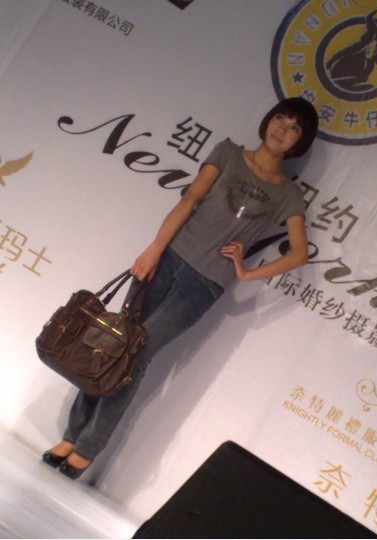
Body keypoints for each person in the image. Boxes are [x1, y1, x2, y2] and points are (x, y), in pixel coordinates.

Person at [42, 97, 319, 479]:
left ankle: (87, 448)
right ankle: (72, 436)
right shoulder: (228, 153)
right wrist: (155, 248)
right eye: (281, 119)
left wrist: (246, 273)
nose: (283, 129)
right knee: (111, 345)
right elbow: (190, 199)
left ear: (299, 142)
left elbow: (300, 253)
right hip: (167, 258)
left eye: (294, 128)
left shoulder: (288, 194)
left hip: (203, 285)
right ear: (269, 119)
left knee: (135, 355)